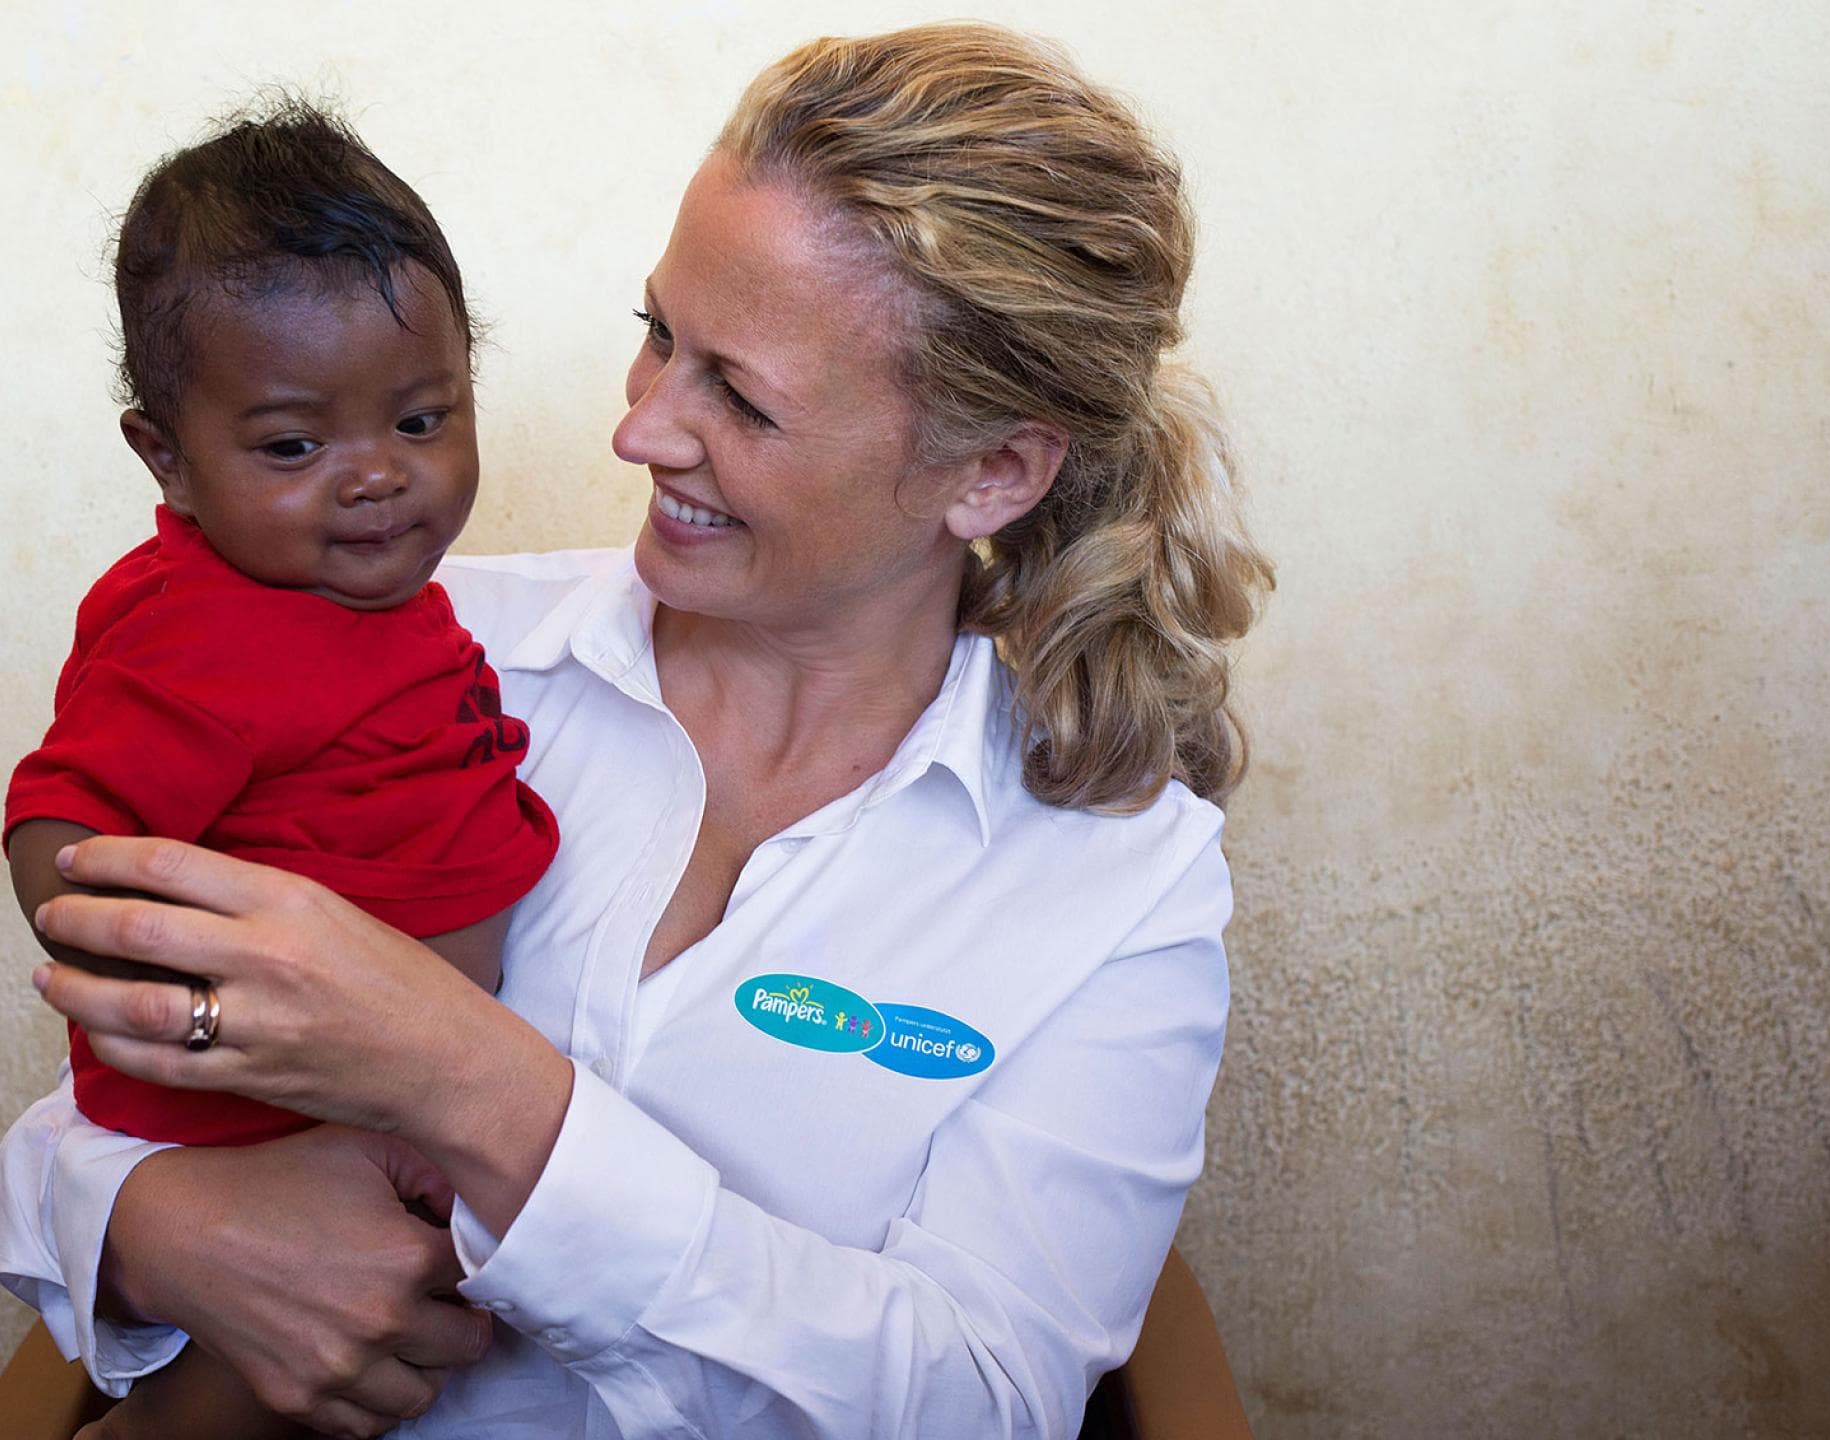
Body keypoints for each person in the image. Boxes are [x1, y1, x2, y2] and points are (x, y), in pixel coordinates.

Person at [1, 22, 1272, 1439]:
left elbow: (982, 1393)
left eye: (740, 394)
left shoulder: (1124, 882)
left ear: (991, 471)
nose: (643, 429)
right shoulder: (407, 644)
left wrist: (480, 1089)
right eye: (658, 335)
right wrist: (164, 1229)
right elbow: (65, 1121)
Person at [2, 101, 559, 1438]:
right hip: (265, 1114)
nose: (375, 478)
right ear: (167, 460)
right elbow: (55, 814)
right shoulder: (196, 632)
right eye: (294, 447)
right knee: (293, 1362)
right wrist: (172, 993)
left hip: (394, 1086)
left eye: (422, 419)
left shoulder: (382, 594)